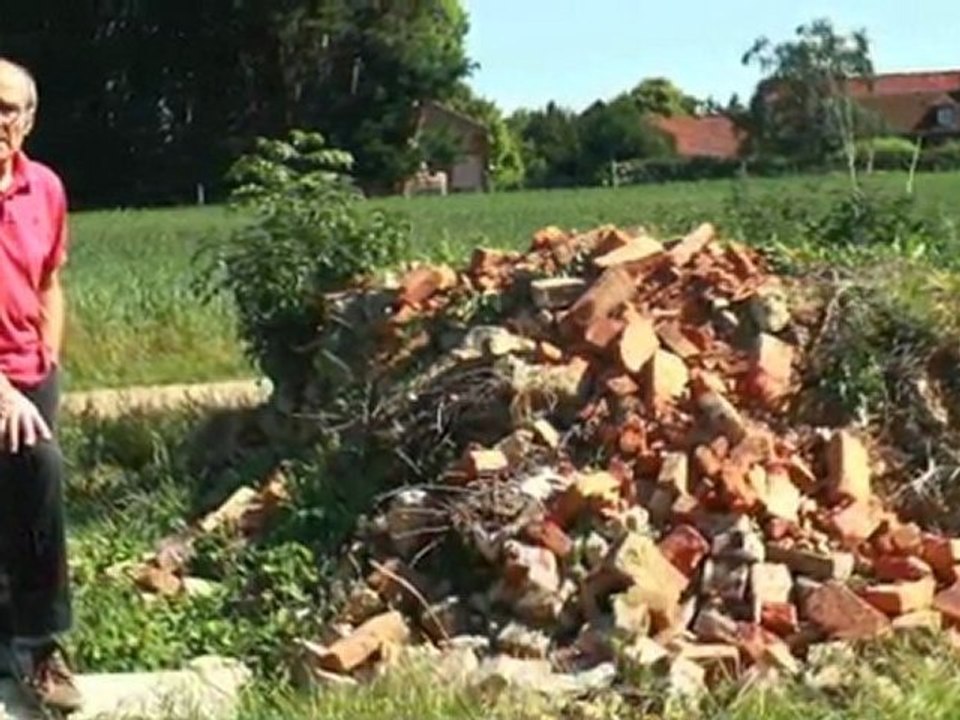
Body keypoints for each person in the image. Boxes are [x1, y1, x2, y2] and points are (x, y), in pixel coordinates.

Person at [0, 57, 82, 714]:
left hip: (34, 371)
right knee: (39, 469)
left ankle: (12, 633)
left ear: (28, 119)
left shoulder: (45, 188)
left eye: (8, 109)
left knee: (22, 498)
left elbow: (51, 277)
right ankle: (41, 642)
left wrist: (48, 356)